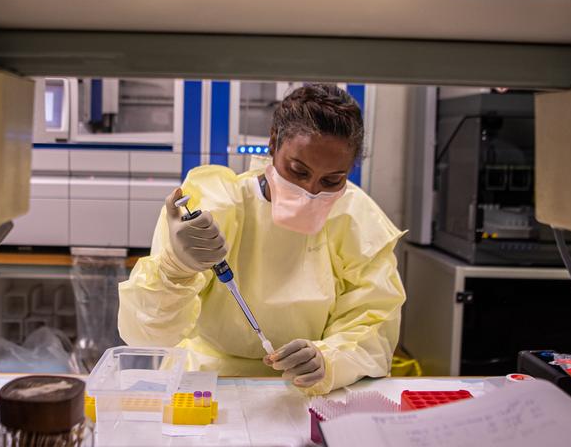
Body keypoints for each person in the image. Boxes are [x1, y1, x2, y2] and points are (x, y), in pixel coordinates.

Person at [119, 84, 406, 395]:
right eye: (298, 171)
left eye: (331, 180)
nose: (310, 191)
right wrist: (175, 270)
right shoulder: (216, 205)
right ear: (273, 142)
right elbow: (146, 336)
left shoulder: (357, 221)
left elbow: (374, 328)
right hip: (208, 383)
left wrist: (329, 360)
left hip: (306, 389)